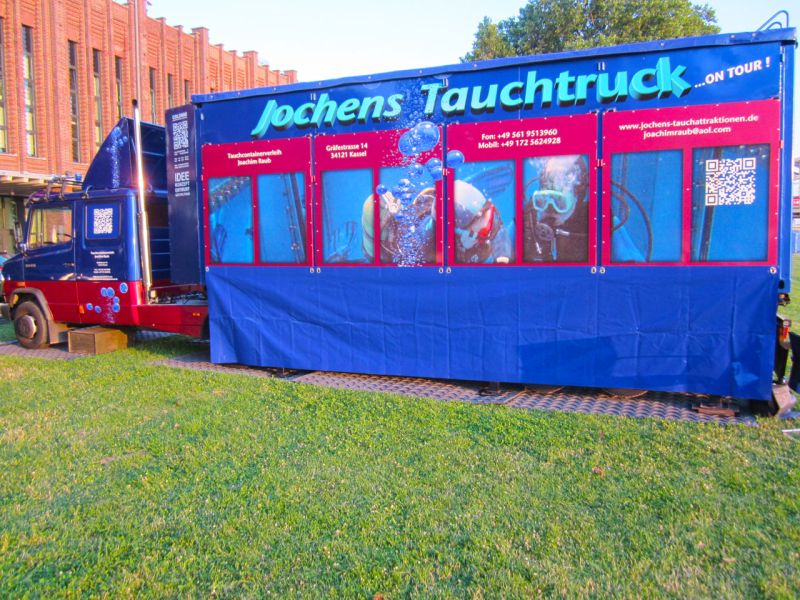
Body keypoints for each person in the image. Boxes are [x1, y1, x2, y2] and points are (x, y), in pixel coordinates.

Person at [523, 155, 589, 262]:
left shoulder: (597, 220)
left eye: (559, 202)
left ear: (578, 196)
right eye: (542, 201)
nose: (550, 210)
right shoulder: (527, 218)